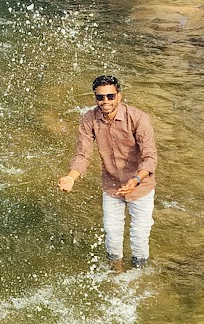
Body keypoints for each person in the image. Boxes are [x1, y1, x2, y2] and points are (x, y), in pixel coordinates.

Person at [58, 75, 158, 272]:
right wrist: (71, 177)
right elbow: (83, 154)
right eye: (100, 97)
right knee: (112, 234)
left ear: (119, 96)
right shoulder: (89, 119)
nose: (105, 102)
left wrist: (136, 179)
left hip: (141, 187)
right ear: (95, 98)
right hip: (111, 185)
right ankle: (116, 273)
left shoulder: (138, 118)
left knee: (139, 236)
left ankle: (138, 275)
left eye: (110, 96)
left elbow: (150, 157)